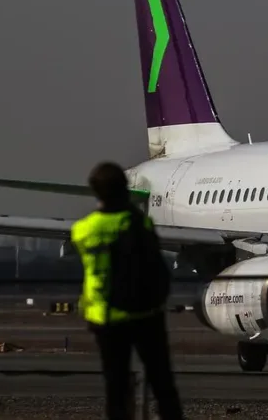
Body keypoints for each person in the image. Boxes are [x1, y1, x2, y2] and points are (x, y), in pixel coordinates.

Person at [71, 161, 184, 420]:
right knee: (162, 382)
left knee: (116, 386)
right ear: (124, 190)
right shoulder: (138, 224)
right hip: (145, 314)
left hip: (105, 318)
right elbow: (157, 267)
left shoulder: (84, 230)